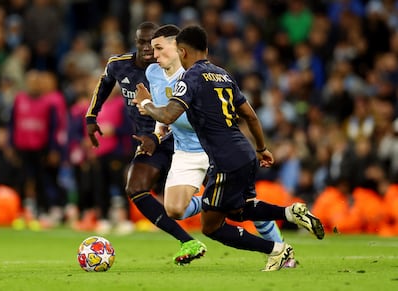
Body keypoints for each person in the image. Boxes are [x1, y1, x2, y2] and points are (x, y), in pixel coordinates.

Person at [134, 25, 325, 271]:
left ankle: (278, 250)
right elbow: (250, 115)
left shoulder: (189, 77)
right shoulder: (222, 74)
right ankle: (290, 213)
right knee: (239, 208)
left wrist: (145, 103)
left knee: (212, 227)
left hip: (222, 157)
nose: (154, 54)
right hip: (242, 150)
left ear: (181, 51)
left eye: (159, 48)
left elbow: (170, 114)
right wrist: (261, 148)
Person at [85, 22, 206, 265]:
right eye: (141, 42)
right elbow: (106, 81)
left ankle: (222, 201)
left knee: (219, 202)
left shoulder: (169, 69)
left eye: (152, 43)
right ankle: (188, 241)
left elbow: (178, 109)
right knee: (135, 187)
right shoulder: (119, 64)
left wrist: (156, 135)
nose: (147, 48)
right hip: (149, 142)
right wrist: (91, 116)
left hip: (181, 140)